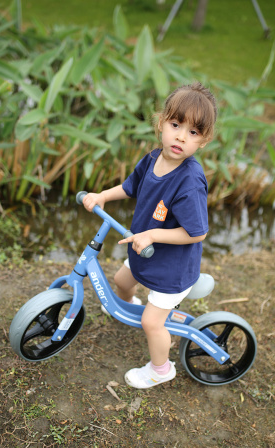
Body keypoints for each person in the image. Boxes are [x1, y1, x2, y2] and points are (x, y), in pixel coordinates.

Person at [83, 82, 217, 389]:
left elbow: (197, 233)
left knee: (151, 322)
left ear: (204, 141)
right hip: (145, 253)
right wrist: (103, 195)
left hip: (171, 268)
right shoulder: (152, 158)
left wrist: (154, 234)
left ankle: (161, 368)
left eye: (193, 132)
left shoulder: (189, 182)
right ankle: (129, 305)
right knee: (121, 281)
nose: (181, 136)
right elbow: (130, 187)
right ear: (161, 123)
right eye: (175, 125)